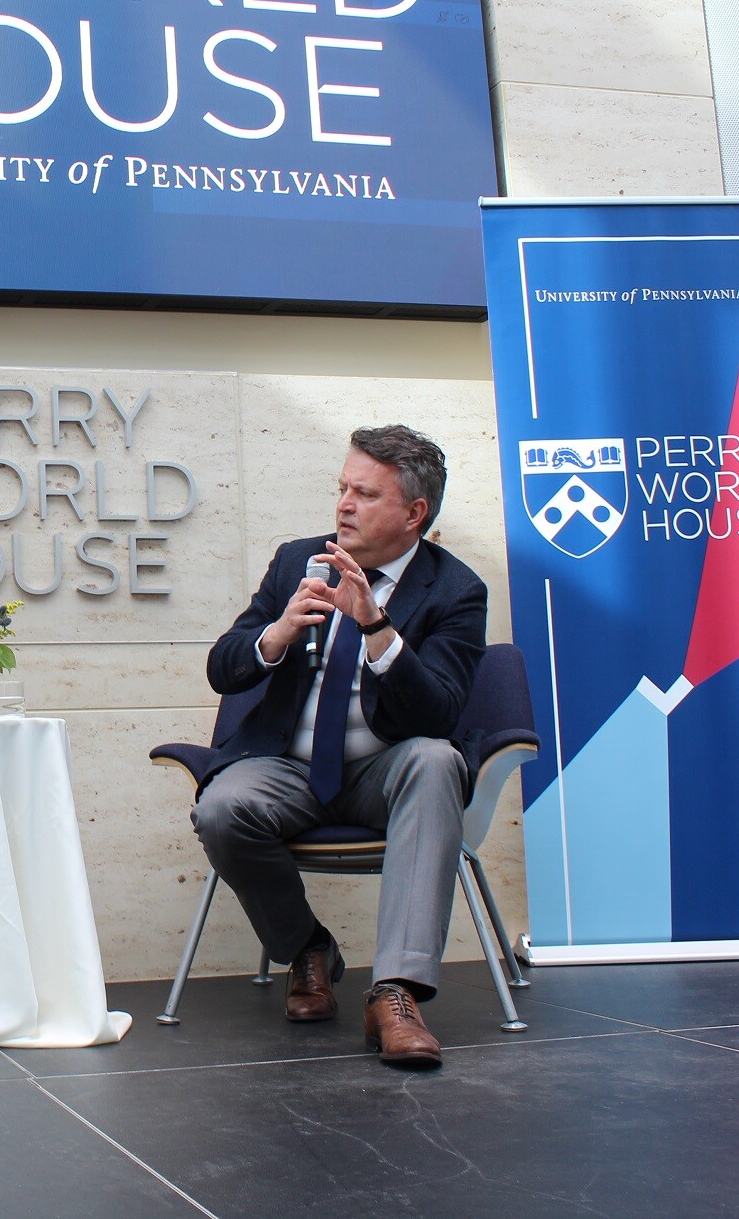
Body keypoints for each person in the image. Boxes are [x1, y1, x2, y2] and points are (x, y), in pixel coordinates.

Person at [194, 426, 486, 1067]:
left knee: (437, 759)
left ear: (414, 514)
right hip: (287, 768)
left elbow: (439, 711)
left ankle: (395, 993)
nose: (344, 506)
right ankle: (308, 949)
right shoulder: (298, 560)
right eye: (343, 489)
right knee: (221, 807)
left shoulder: (455, 591)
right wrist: (276, 632)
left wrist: (375, 627)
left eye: (365, 494)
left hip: (384, 772)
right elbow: (224, 667)